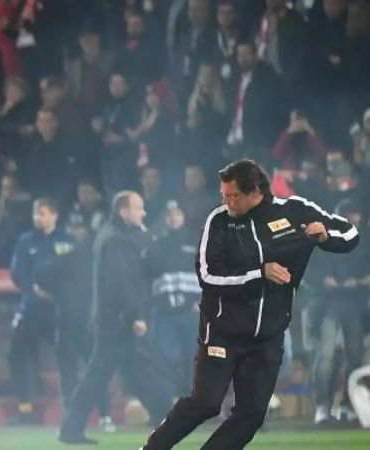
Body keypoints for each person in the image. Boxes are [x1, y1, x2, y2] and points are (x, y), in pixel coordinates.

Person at [142, 159, 360, 450]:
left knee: (252, 415)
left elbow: (350, 233)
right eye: (224, 195)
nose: (227, 202)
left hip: (268, 336)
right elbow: (207, 276)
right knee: (205, 403)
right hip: (222, 331)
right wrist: (259, 273)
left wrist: (326, 236)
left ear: (256, 191)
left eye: (233, 196)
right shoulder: (218, 221)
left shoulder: (295, 210)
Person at [60, 191, 174, 445]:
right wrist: (135, 316)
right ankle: (168, 423)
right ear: (124, 211)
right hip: (118, 323)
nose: (143, 213)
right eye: (138, 208)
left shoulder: (116, 236)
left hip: (114, 322)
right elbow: (122, 282)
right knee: (137, 373)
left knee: (130, 374)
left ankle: (70, 430)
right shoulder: (116, 240)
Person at [8, 197, 76, 425]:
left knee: (67, 358)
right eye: (36, 213)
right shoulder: (26, 241)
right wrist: (34, 289)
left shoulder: (68, 241)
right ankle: (25, 411)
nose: (38, 217)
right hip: (31, 310)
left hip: (59, 311)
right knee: (16, 354)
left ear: (54, 215)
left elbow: (76, 274)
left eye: (43, 213)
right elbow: (17, 273)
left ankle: (72, 411)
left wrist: (60, 295)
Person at [310, 199, 368, 424]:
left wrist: (361, 281)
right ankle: (323, 406)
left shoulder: (364, 241)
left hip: (354, 304)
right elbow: (309, 269)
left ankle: (348, 405)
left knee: (354, 355)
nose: (356, 219)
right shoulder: (322, 238)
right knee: (325, 356)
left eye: (357, 215)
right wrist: (324, 280)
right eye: (351, 215)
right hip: (328, 305)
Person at [146, 201, 202, 396]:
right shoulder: (155, 244)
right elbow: (147, 277)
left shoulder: (197, 241)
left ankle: (188, 401)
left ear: (183, 217)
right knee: (163, 356)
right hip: (164, 312)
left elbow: (211, 273)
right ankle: (169, 399)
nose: (173, 218)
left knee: (192, 358)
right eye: (169, 215)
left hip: (191, 311)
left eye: (177, 214)